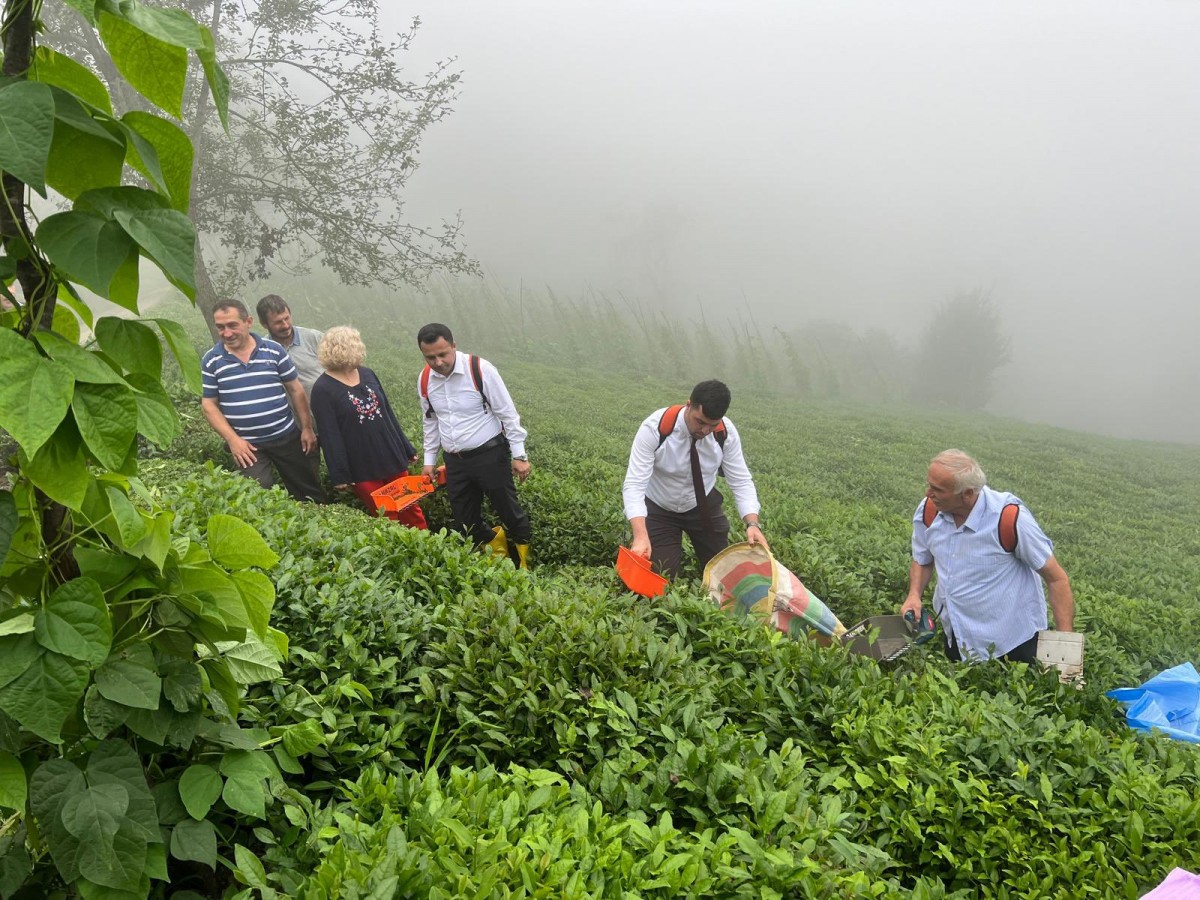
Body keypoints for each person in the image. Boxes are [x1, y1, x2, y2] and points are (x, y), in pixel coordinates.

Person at [899, 449, 1075, 662]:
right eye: (929, 485)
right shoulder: (930, 509)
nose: (928, 493)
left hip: (1013, 644)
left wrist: (1065, 656)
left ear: (967, 493)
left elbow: (1057, 578)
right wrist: (914, 595)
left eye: (937, 489)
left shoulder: (1008, 518)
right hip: (958, 635)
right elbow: (922, 558)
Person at [622, 380, 769, 579]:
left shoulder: (725, 433)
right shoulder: (656, 428)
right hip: (659, 507)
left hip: (703, 505)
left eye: (713, 424)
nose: (705, 431)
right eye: (700, 421)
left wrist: (752, 524)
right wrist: (640, 535)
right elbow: (634, 484)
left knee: (726, 573)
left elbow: (741, 480)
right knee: (660, 576)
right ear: (688, 405)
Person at [416, 323, 532, 568]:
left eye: (442, 354)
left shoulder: (480, 369)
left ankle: (524, 561)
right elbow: (431, 421)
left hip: (489, 454)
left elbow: (508, 414)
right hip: (454, 461)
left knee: (508, 510)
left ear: (454, 346)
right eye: (430, 357)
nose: (437, 362)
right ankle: (497, 549)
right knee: (464, 520)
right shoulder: (425, 378)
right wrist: (429, 461)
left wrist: (519, 455)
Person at [200, 299, 324, 501]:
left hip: (286, 436)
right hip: (247, 446)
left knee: (308, 491)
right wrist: (233, 441)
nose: (227, 333)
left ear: (248, 321)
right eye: (220, 327)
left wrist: (307, 428)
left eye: (232, 325)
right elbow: (209, 405)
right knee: (259, 496)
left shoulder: (274, 350)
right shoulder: (212, 360)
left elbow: (296, 390)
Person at [310, 326, 427, 529]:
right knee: (385, 515)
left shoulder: (367, 373)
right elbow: (330, 435)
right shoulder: (323, 389)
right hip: (361, 465)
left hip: (390, 454)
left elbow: (388, 413)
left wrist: (406, 448)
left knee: (410, 507)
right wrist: (340, 474)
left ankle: (428, 546)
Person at [255, 294, 324, 395]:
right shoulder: (262, 351)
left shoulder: (314, 337)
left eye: (286, 318)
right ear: (264, 324)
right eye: (278, 322)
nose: (285, 325)